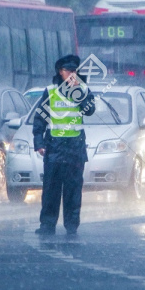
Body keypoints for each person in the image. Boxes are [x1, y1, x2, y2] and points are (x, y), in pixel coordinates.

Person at [33, 54, 96, 237]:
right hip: (54, 148)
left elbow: (90, 110)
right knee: (51, 189)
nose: (71, 74)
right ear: (60, 72)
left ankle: (71, 226)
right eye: (68, 70)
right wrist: (39, 142)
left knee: (73, 190)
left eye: (74, 71)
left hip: (75, 149)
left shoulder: (83, 89)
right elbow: (40, 119)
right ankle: (47, 225)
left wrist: (78, 93)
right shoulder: (51, 91)